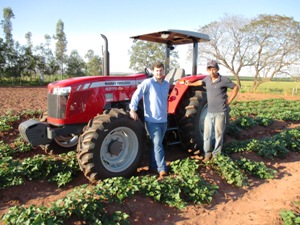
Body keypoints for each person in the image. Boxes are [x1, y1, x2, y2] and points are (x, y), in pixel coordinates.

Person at [186, 60, 239, 162]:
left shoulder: (224, 80)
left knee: (218, 134)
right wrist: (190, 84)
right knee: (207, 134)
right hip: (210, 112)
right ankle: (207, 154)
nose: (212, 71)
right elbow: (200, 82)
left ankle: (216, 154)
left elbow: (236, 87)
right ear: (207, 70)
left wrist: (229, 101)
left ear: (217, 69)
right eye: (210, 69)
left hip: (220, 112)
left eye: (214, 69)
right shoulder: (207, 79)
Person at [129, 61, 170, 179]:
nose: (159, 72)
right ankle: (162, 169)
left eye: (161, 70)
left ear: (163, 71)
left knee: (156, 144)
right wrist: (133, 109)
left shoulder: (166, 84)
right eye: (157, 70)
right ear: (153, 71)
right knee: (158, 144)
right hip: (152, 120)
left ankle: (152, 166)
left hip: (163, 120)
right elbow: (137, 95)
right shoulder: (148, 83)